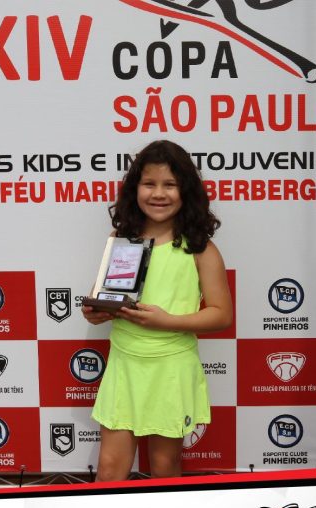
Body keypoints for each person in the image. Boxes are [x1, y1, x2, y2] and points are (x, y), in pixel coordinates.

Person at [82, 140, 233, 482]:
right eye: (149, 184)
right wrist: (96, 310)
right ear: (134, 188)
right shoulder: (122, 238)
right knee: (109, 469)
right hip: (125, 362)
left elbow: (222, 314)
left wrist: (168, 321)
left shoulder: (200, 247)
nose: (159, 194)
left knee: (165, 467)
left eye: (170, 185)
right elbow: (102, 295)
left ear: (186, 191)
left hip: (171, 368)